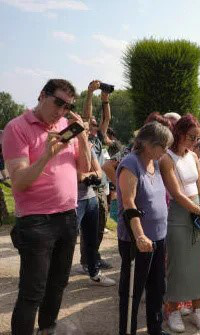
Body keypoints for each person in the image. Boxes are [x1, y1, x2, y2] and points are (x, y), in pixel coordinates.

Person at [3, 79, 91, 335]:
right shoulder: (17, 128)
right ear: (42, 95)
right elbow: (18, 181)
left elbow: (83, 170)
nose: (62, 110)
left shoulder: (65, 125)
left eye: (67, 106)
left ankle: (48, 328)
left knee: (58, 283)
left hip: (67, 215)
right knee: (33, 290)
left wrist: (82, 135)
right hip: (36, 221)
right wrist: (45, 156)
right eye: (58, 102)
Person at [160, 114, 200, 332]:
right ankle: (173, 311)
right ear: (180, 133)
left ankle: (196, 311)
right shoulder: (166, 158)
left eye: (198, 138)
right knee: (177, 265)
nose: (194, 142)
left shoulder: (193, 156)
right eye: (191, 137)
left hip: (198, 214)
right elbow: (176, 193)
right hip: (180, 215)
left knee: (197, 264)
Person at [116, 122, 173, 335]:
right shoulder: (131, 164)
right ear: (149, 144)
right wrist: (139, 236)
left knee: (157, 288)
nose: (165, 151)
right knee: (132, 291)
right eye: (163, 147)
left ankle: (155, 329)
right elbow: (129, 204)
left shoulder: (156, 163)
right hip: (137, 240)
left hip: (159, 237)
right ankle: (127, 331)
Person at [77, 122, 116, 286]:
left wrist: (87, 175)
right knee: (67, 239)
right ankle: (56, 277)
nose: (87, 132)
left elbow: (99, 172)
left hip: (90, 197)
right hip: (74, 200)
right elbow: (79, 174)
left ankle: (94, 272)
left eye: (87, 129)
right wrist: (87, 175)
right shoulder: (69, 147)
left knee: (92, 238)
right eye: (83, 129)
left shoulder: (90, 147)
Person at [82, 80, 114, 271]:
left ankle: (94, 257)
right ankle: (88, 261)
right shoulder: (84, 136)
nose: (95, 126)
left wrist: (105, 99)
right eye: (92, 124)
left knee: (100, 226)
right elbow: (87, 115)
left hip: (101, 188)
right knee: (90, 228)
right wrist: (89, 94)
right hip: (89, 187)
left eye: (95, 124)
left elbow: (107, 119)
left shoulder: (99, 138)